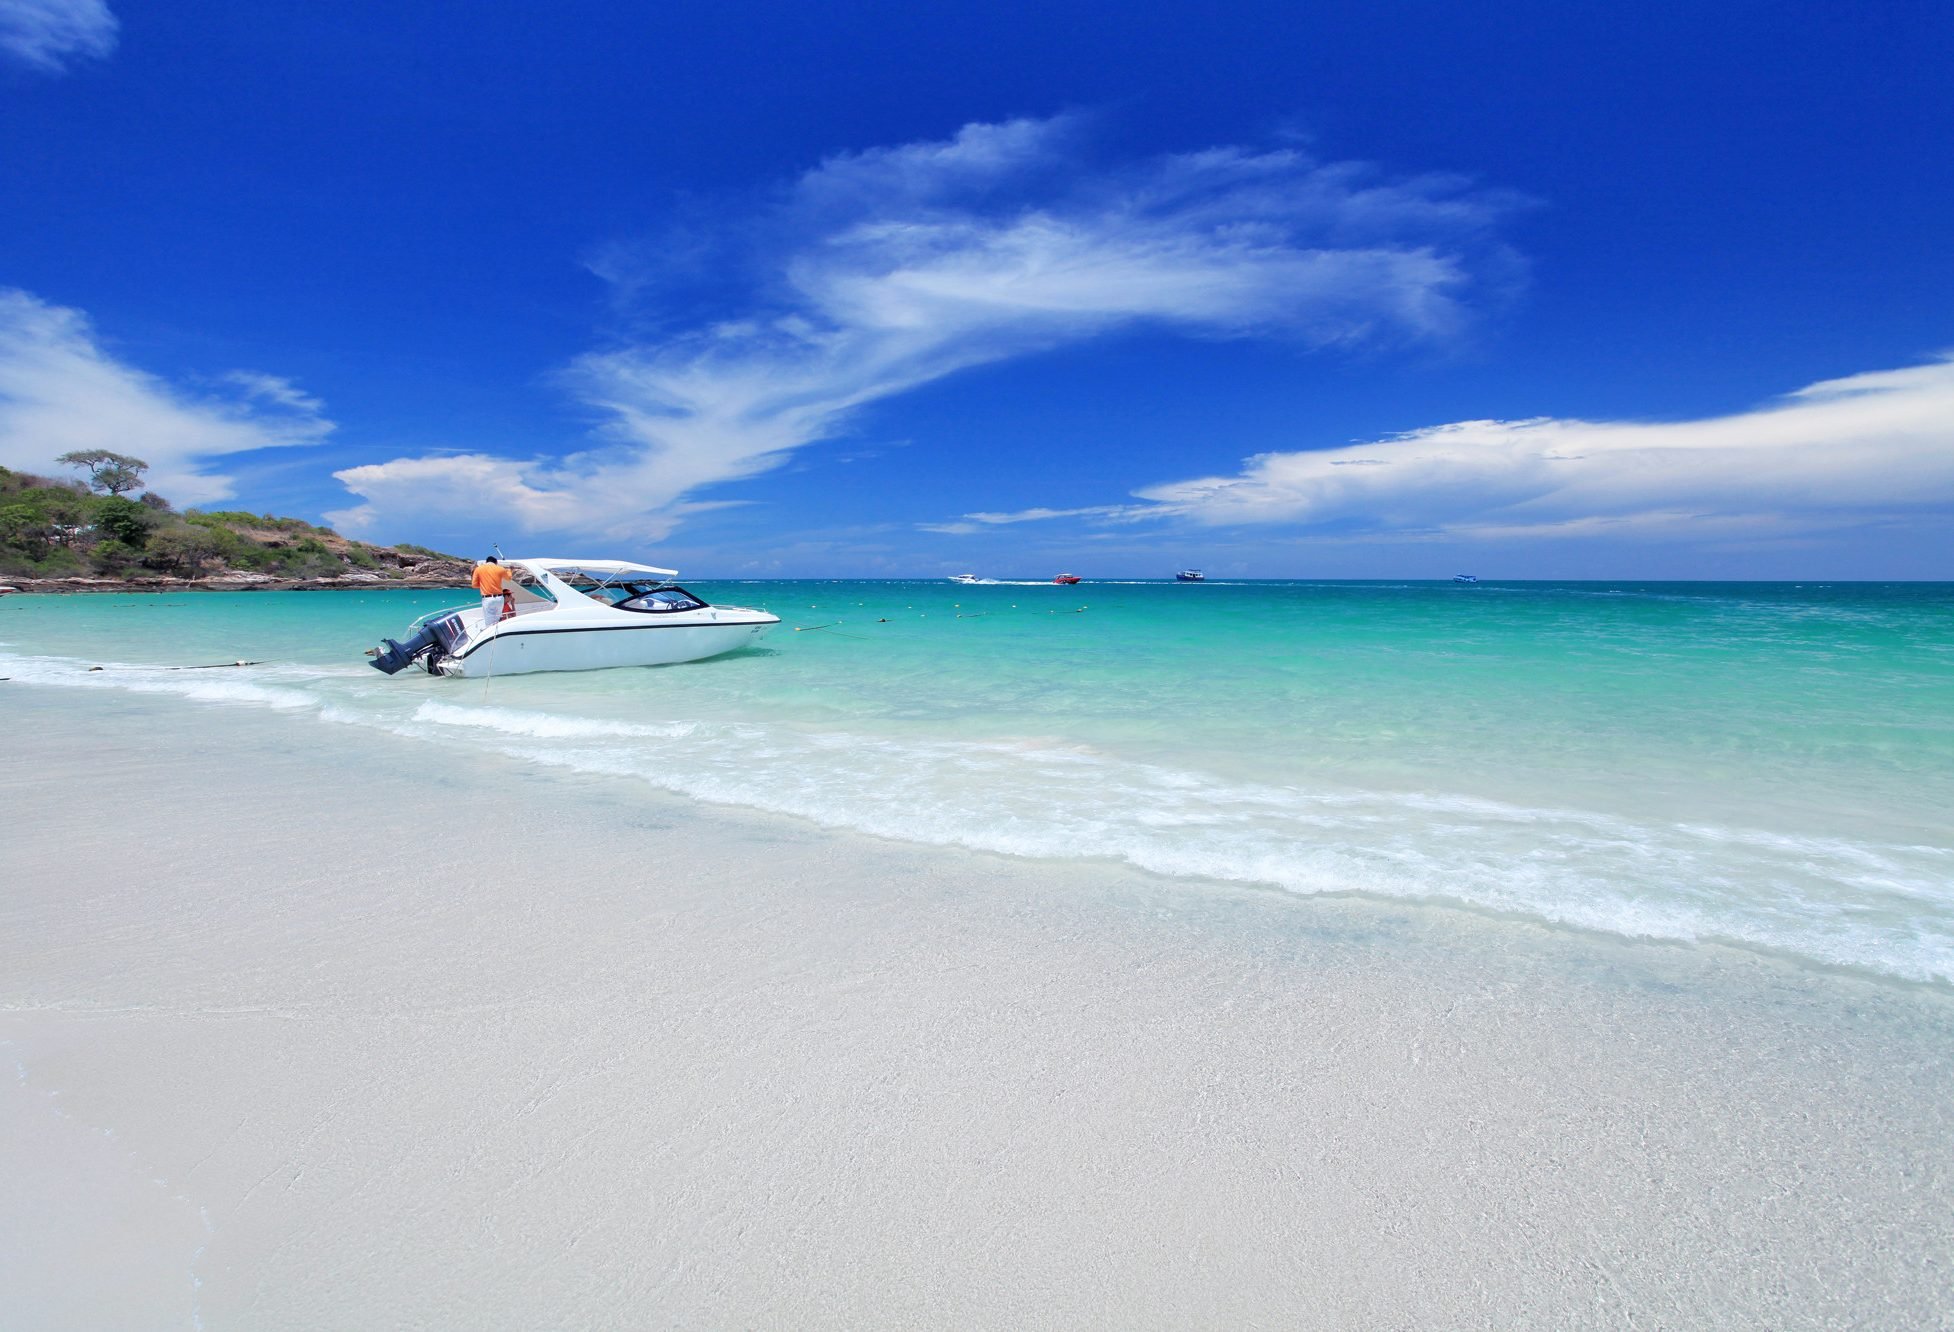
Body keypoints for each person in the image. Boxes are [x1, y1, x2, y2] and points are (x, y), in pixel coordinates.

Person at [471, 556, 515, 626]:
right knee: (497, 620)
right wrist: (510, 570)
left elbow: (474, 585)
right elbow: (509, 578)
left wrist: (484, 585)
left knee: (489, 623)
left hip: (488, 599)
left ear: (486, 562)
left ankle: (492, 635)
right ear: (496, 563)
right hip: (500, 599)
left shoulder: (478, 569)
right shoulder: (500, 569)